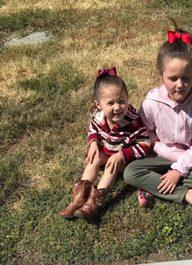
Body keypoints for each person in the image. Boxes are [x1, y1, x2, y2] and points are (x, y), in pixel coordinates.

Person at [124, 28, 192, 223]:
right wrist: (158, 147)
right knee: (130, 172)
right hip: (161, 154)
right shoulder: (152, 102)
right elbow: (145, 133)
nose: (180, 85)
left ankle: (154, 183)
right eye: (172, 78)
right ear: (160, 74)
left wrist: (178, 170)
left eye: (186, 78)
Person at [59, 67, 150, 221]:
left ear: (128, 98)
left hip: (123, 160)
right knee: (93, 159)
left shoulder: (133, 121)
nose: (117, 107)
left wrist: (122, 155)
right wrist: (93, 142)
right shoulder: (98, 117)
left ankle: (95, 201)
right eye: (110, 103)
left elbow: (145, 143)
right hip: (106, 152)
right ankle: (79, 197)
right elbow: (92, 129)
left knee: (110, 167)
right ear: (99, 105)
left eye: (122, 101)